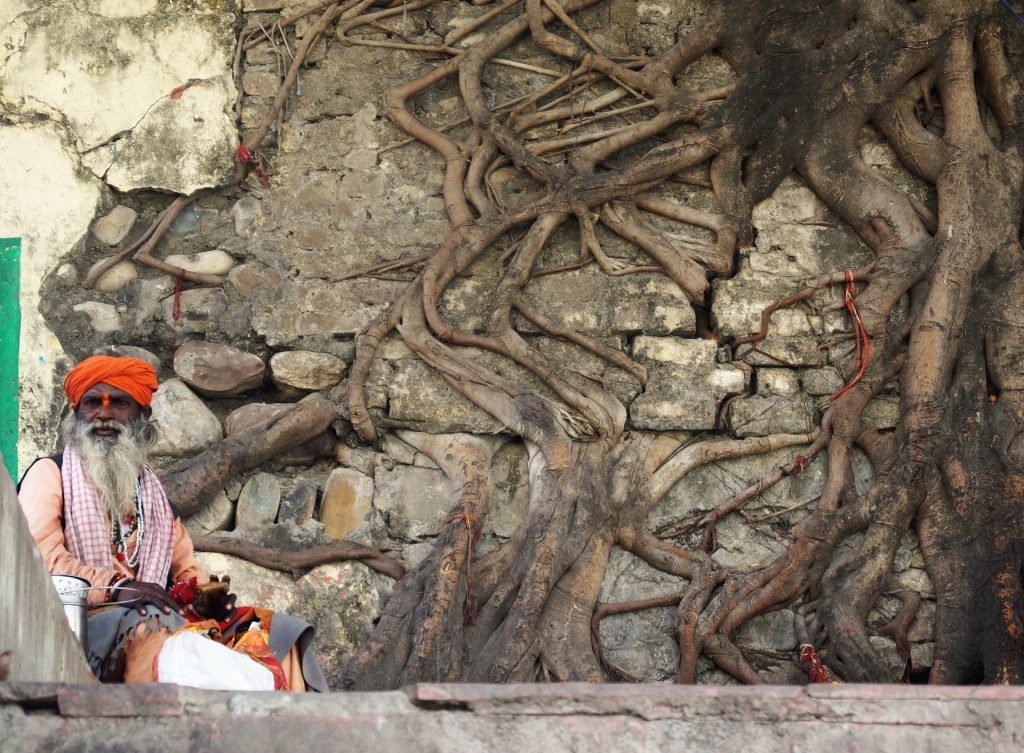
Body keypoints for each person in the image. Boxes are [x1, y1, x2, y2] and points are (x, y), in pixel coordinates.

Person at [17, 354, 326, 691]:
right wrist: (118, 588)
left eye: (119, 403)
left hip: (155, 615)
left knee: (277, 632)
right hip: (83, 623)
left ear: (143, 416)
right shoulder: (50, 474)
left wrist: (206, 595)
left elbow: (186, 569)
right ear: (77, 413)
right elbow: (41, 562)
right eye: (92, 403)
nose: (104, 414)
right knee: (155, 624)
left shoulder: (152, 495)